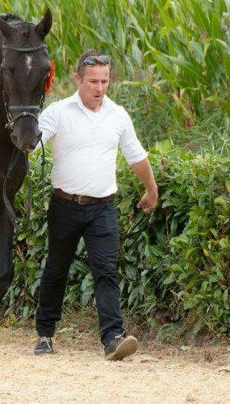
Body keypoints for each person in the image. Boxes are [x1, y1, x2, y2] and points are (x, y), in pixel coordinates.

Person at [33, 50, 159, 360]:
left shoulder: (118, 115)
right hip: (64, 205)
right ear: (78, 79)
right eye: (92, 81)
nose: (99, 88)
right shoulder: (57, 112)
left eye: (104, 81)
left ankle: (113, 339)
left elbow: (136, 156)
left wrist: (151, 189)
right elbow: (31, 143)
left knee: (106, 272)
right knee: (56, 270)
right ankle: (45, 335)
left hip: (103, 207)